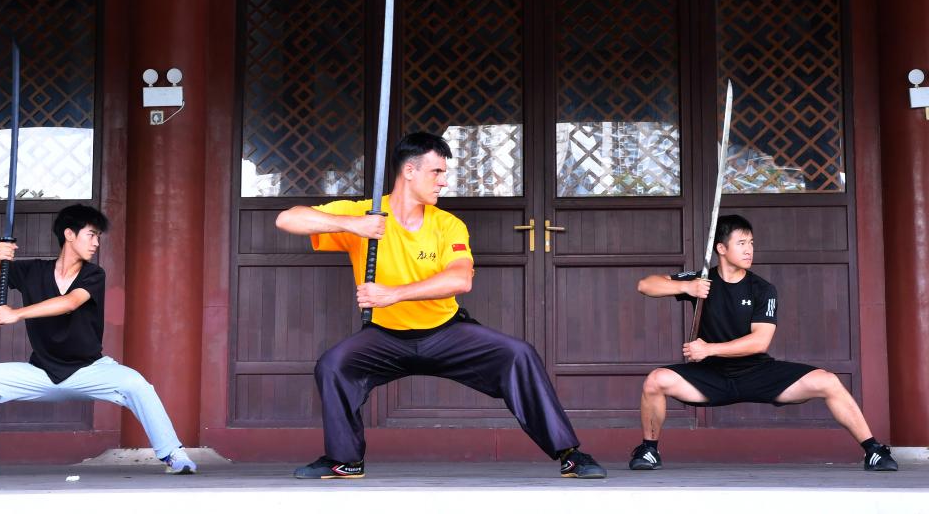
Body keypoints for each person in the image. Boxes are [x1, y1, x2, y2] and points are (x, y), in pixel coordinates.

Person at [276, 132, 606, 479]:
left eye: (444, 173)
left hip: (446, 333)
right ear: (409, 171)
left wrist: (393, 294)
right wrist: (352, 225)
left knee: (518, 355)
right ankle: (345, 459)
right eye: (436, 172)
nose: (444, 182)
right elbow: (288, 218)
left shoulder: (447, 225)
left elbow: (460, 279)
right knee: (334, 365)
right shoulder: (365, 213)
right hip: (384, 337)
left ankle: (569, 453)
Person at [0, 204, 196, 477]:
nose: (96, 243)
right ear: (69, 234)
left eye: (98, 237)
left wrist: (17, 313)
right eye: (91, 235)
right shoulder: (33, 271)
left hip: (90, 371)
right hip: (42, 372)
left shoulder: (93, 274)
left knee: (138, 385)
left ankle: (173, 453)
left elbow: (70, 302)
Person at [629, 214, 897, 472]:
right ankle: (649, 450)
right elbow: (645, 285)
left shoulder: (763, 289)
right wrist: (685, 287)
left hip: (757, 373)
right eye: (741, 243)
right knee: (656, 380)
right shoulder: (701, 281)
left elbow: (760, 342)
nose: (749, 250)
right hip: (711, 377)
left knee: (827, 381)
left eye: (751, 243)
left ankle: (873, 450)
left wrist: (709, 349)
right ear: (721, 248)